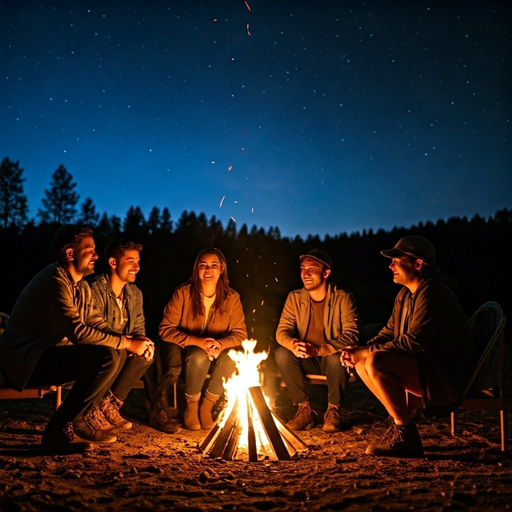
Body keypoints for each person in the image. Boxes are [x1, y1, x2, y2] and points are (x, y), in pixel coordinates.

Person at [0, 225, 154, 452]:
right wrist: (128, 342)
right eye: (89, 250)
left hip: (48, 355)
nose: (96, 255)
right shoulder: (53, 281)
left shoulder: (81, 286)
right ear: (70, 254)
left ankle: (79, 421)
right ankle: (59, 431)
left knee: (115, 351)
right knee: (105, 356)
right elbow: (78, 332)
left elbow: (96, 323)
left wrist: (131, 343)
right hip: (24, 362)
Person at [341, 235, 472, 457]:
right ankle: (400, 426)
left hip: (446, 380)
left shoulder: (434, 293)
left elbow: (413, 342)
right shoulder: (405, 295)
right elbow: (389, 332)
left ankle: (406, 435)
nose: (390, 265)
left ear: (418, 263)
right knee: (364, 362)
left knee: (375, 360)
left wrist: (367, 352)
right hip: (427, 371)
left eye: (396, 260)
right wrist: (359, 350)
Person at [159, 247, 247, 430]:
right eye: (203, 265)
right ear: (197, 270)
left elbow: (240, 334)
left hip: (218, 351)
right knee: (199, 355)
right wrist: (198, 342)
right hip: (188, 350)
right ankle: (191, 407)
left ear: (221, 269)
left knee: (234, 357)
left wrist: (220, 344)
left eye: (214, 265)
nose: (208, 270)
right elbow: (165, 330)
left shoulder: (231, 297)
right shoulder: (183, 293)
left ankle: (207, 406)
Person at [275, 248, 361, 432]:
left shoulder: (342, 297)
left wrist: (320, 349)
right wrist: (294, 344)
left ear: (326, 272)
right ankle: (304, 410)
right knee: (282, 353)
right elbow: (282, 331)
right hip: (307, 359)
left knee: (334, 357)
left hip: (330, 358)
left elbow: (352, 333)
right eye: (302, 269)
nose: (305, 273)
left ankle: (333, 411)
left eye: (311, 269)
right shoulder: (295, 298)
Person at [87, 239, 158, 431]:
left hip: (122, 349)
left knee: (147, 354)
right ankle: (92, 409)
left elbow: (138, 327)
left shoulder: (135, 294)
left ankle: (109, 407)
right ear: (113, 262)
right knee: (115, 352)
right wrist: (128, 344)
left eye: (138, 262)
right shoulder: (94, 289)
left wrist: (142, 342)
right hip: (97, 350)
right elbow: (96, 329)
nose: (136, 267)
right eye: (131, 261)